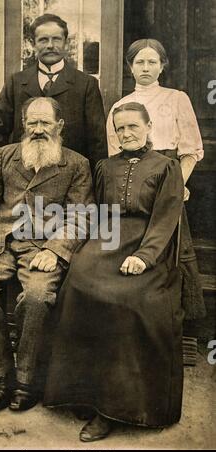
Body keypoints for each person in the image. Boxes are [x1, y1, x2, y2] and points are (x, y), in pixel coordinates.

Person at [44, 102, 184, 442]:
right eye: (120, 128)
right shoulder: (105, 167)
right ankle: (81, 392)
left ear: (149, 126)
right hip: (106, 243)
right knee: (77, 285)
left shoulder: (167, 167)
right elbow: (98, 214)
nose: (126, 133)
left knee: (125, 302)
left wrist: (144, 256)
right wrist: (83, 249)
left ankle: (112, 408)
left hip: (148, 247)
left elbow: (166, 219)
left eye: (133, 126)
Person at [0, 97, 94, 412]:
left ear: (59, 126)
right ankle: (1, 376)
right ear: (24, 125)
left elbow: (81, 217)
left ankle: (28, 380)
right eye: (33, 122)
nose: (39, 129)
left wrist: (56, 250)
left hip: (42, 247)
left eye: (45, 123)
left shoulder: (75, 164)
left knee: (35, 297)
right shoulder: (5, 157)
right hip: (0, 242)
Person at [106, 38, 206, 321]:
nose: (146, 68)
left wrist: (176, 185)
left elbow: (191, 150)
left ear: (162, 66)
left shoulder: (177, 98)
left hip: (168, 179)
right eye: (139, 62)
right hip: (133, 185)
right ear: (130, 67)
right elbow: (116, 156)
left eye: (152, 62)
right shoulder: (121, 105)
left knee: (171, 249)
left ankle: (178, 325)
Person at [0, 13, 108, 171]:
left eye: (56, 39)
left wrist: (85, 180)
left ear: (66, 43)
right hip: (24, 179)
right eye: (43, 40)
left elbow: (97, 143)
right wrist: (9, 170)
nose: (50, 45)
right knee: (36, 198)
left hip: (69, 181)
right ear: (33, 44)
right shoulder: (16, 82)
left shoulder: (85, 85)